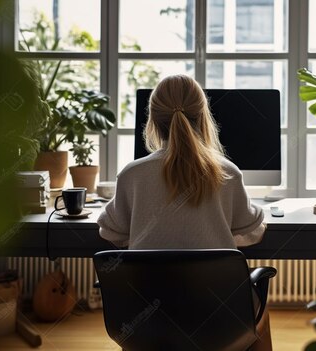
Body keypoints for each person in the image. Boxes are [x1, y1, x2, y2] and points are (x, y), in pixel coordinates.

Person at [97, 74, 271, 350]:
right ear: (204, 118)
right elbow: (252, 230)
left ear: (153, 121)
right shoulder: (227, 174)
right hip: (218, 316)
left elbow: (110, 230)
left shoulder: (131, 175)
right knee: (255, 303)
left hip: (144, 315)